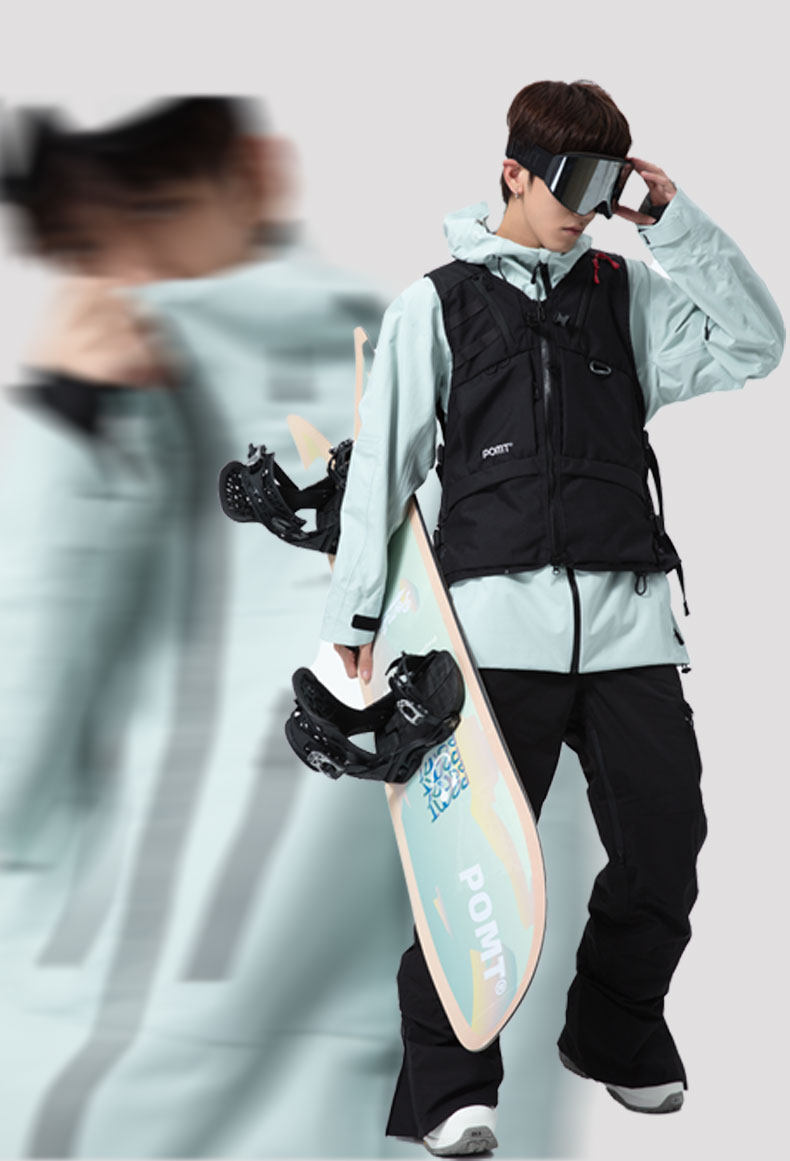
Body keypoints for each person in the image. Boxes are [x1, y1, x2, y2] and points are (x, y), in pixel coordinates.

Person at [321, 78, 785, 1154]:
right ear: (513, 173)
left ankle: (614, 1030)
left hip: (627, 628)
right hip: (492, 636)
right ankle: (448, 1086)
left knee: (666, 844)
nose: (587, 207)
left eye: (605, 186)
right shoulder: (435, 305)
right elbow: (382, 466)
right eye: (570, 183)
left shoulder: (626, 293)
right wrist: (356, 618)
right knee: (470, 871)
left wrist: (672, 220)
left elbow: (756, 342)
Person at [0, 97, 411, 1159]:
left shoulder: (431, 424)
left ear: (258, 178)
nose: (128, 279)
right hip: (37, 1083)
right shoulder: (61, 441)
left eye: (158, 212)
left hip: (308, 1115)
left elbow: (510, 870)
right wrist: (62, 448)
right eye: (88, 246)